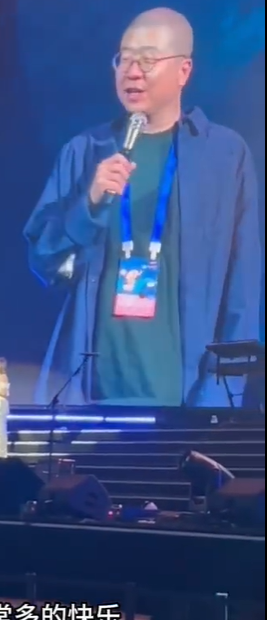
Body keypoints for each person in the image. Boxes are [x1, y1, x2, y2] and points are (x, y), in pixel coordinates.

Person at [23, 8, 260, 408]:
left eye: (148, 60)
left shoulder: (224, 155)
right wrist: (89, 202)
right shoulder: (85, 151)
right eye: (124, 59)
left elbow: (243, 287)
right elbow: (43, 259)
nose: (132, 72)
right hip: (91, 394)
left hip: (189, 398)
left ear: (183, 71)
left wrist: (224, 394)